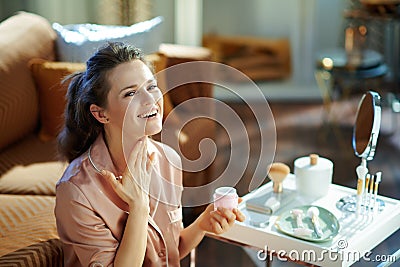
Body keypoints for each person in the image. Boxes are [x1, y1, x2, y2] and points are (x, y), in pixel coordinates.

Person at [55, 42, 245, 267]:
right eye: (131, 93)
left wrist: (202, 223)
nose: (150, 100)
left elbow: (167, 253)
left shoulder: (168, 160)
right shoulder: (77, 191)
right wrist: (139, 207)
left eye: (151, 86)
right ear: (100, 114)